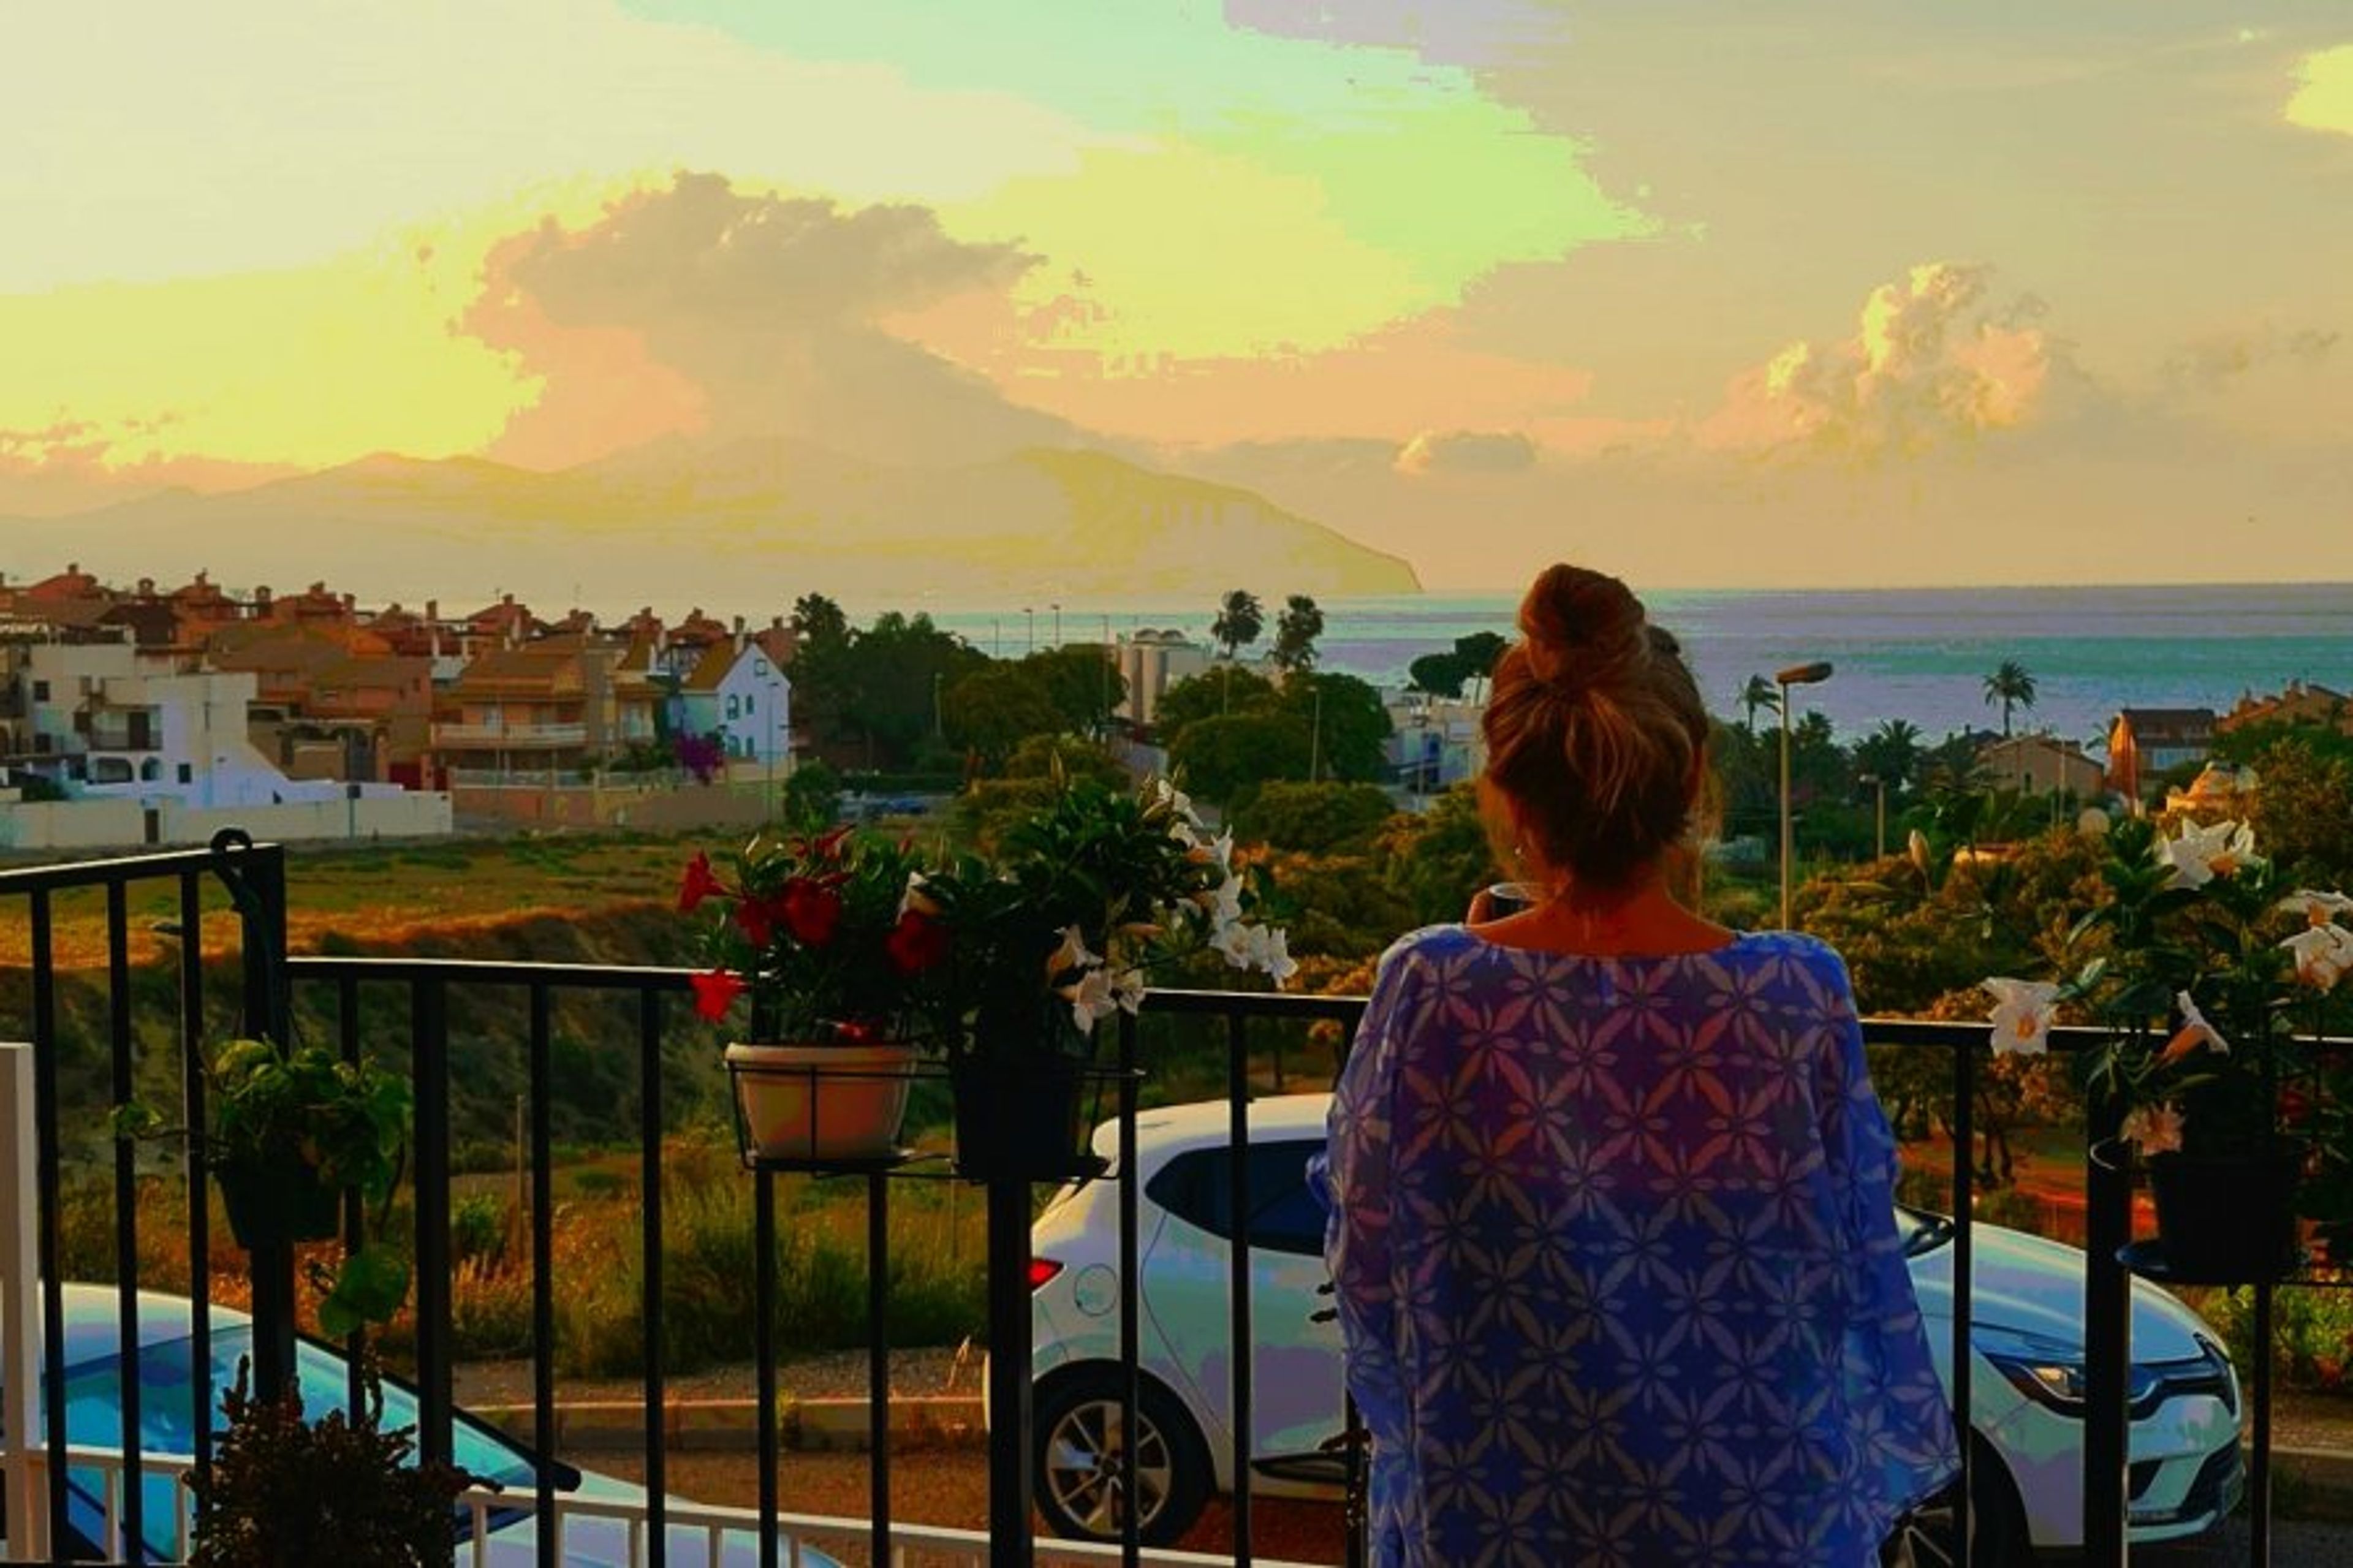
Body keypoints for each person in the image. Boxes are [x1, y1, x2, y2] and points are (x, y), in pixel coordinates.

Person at [1315, 564, 1957, 1566]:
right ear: (1694, 777)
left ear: (1507, 787)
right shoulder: (1795, 994)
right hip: (1756, 1511)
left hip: (1497, 1506)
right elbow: (1852, 1247)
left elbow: (1365, 1247)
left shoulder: (1433, 988)